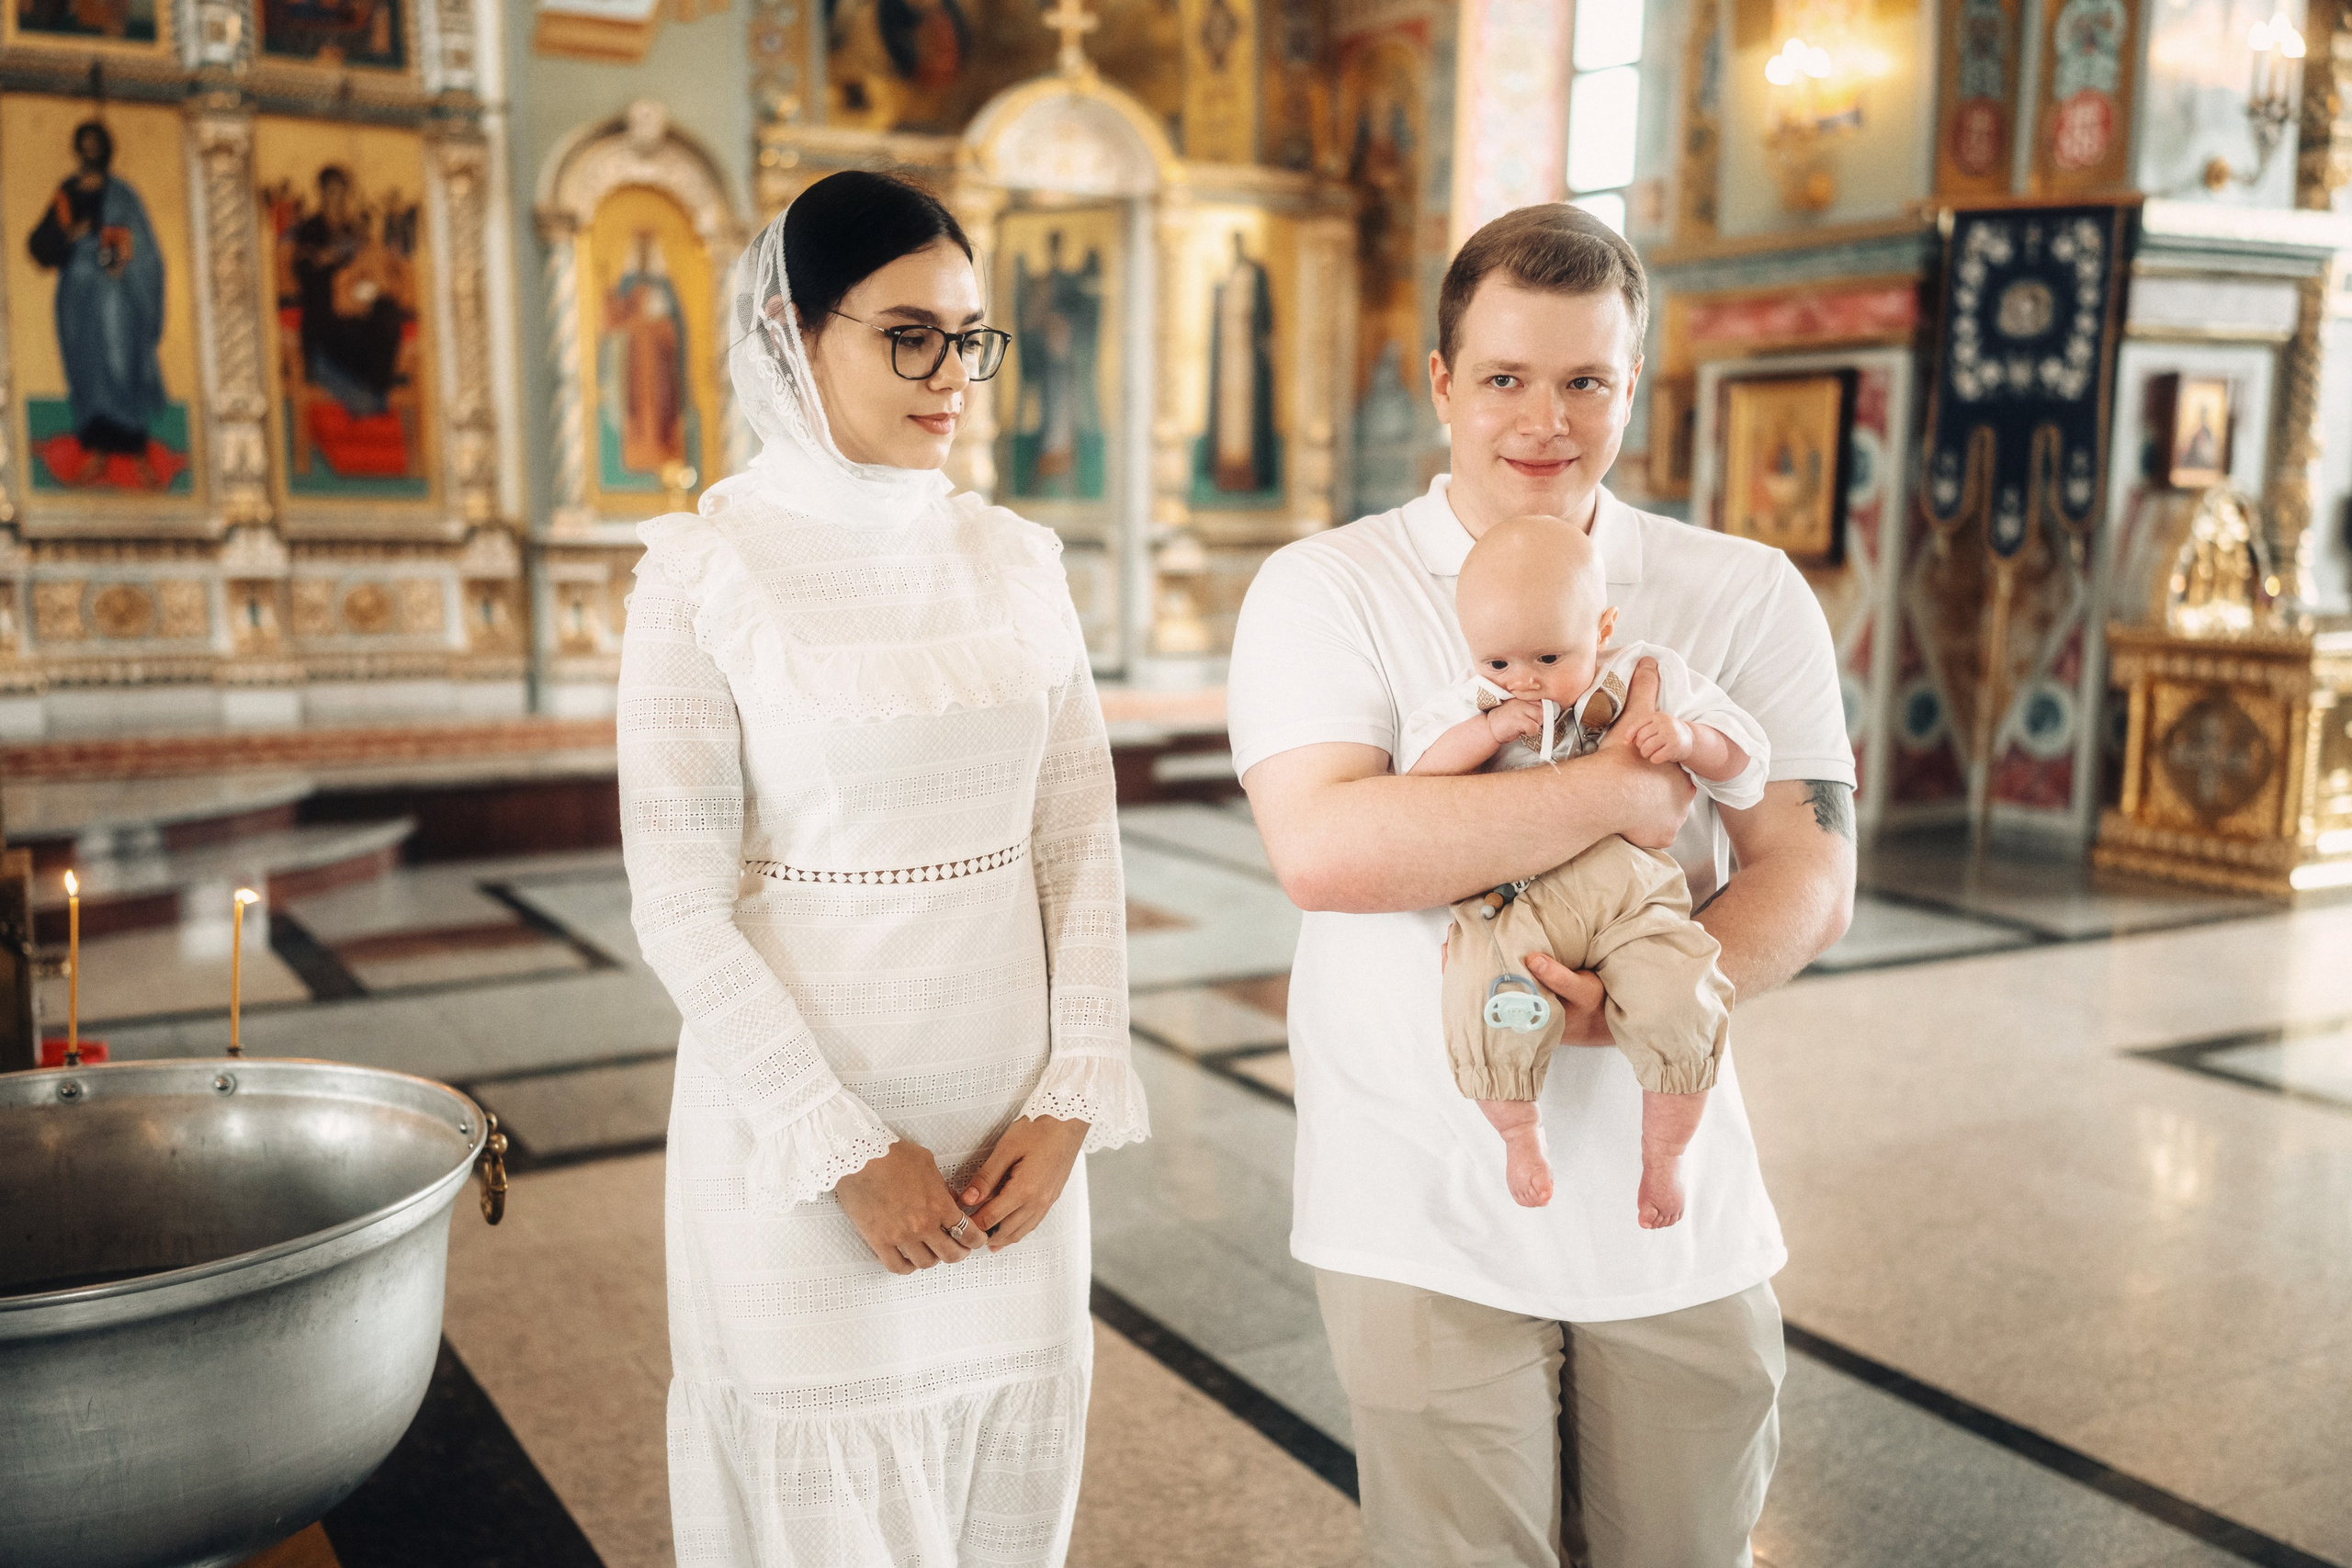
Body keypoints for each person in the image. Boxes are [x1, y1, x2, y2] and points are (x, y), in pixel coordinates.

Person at [1228, 202, 1856, 1566]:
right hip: (1418, 1191)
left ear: (1634, 384)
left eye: (1587, 380)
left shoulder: (1740, 591)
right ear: (1442, 379)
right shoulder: (1324, 586)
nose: (1545, 420)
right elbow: (1330, 851)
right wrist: (1626, 795)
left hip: (1672, 1200)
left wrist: (1656, 995)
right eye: (1506, 376)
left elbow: (1808, 862)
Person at [616, 169, 1148, 1566]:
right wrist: (847, 1150)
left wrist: (1076, 1090)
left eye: (971, 336)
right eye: (909, 333)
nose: (953, 374)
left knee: (1001, 1497)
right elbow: (676, 898)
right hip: (801, 1151)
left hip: (1014, 1143)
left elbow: (1078, 841)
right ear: (795, 333)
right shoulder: (702, 569)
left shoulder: (1017, 560)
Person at [1402, 514, 1766, 1223]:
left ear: (1602, 628)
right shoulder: (1471, 700)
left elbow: (1747, 764)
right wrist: (1487, 731)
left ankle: (1664, 1156)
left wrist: (1689, 738)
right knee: (1478, 989)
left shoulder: (1645, 675)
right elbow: (1418, 785)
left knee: (1682, 991)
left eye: (1548, 658)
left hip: (1634, 895)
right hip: (1516, 898)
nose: (1524, 681)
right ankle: (1517, 1132)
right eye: (1499, 662)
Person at [27, 119, 169, 487]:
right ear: (78, 150)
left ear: (107, 149)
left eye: (97, 144)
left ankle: (137, 453)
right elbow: (41, 245)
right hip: (77, 289)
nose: (91, 150)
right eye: (85, 144)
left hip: (115, 290)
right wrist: (68, 236)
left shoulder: (122, 194)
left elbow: (141, 248)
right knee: (87, 368)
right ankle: (98, 453)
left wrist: (112, 261)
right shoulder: (67, 192)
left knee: (121, 363)